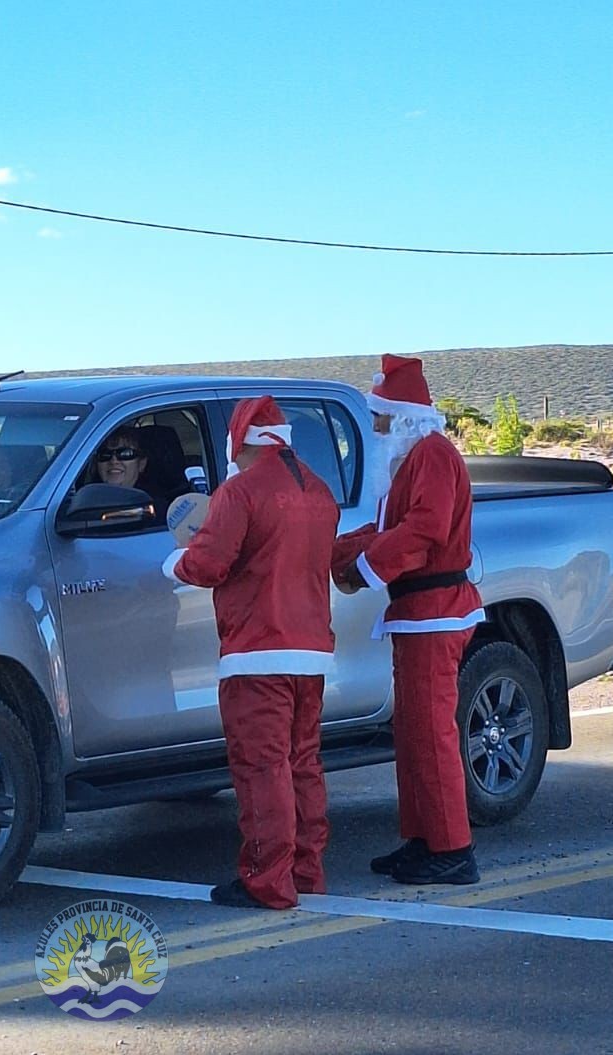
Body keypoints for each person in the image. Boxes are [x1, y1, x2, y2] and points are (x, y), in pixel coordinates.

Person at [164, 396, 339, 911]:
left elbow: (211, 564)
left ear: (238, 441)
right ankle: (307, 870)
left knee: (262, 766)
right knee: (302, 761)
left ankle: (267, 878)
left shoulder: (240, 491)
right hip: (311, 651)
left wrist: (177, 563)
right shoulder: (320, 491)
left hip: (256, 652)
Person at [331, 354, 485, 885]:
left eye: (379, 419)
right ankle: (424, 839)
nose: (374, 429)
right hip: (415, 613)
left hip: (435, 613)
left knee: (432, 733)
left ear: (402, 417)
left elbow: (424, 529)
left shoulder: (434, 456)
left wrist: (364, 569)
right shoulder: (406, 463)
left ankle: (453, 848)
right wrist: (330, 554)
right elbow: (381, 530)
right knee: (415, 733)